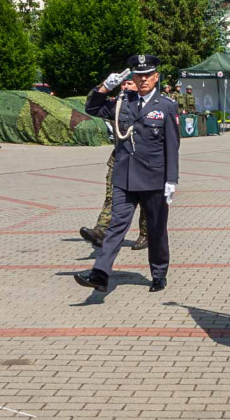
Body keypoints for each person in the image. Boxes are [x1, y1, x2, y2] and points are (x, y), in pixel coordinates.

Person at [75, 54, 179, 293]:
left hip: (154, 179)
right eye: (138, 75)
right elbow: (92, 107)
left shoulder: (166, 106)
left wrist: (171, 179)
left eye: (147, 75)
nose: (142, 80)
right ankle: (100, 275)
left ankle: (159, 273)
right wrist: (105, 86)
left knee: (156, 230)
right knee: (116, 227)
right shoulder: (123, 102)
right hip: (124, 176)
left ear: (156, 77)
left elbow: (172, 146)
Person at [79, 78, 150, 251]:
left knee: (146, 202)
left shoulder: (151, 105)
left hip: (144, 163)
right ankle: (101, 232)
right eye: (123, 84)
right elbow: (91, 106)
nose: (125, 87)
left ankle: (147, 234)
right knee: (112, 197)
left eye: (129, 84)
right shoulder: (116, 105)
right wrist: (104, 86)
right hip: (119, 161)